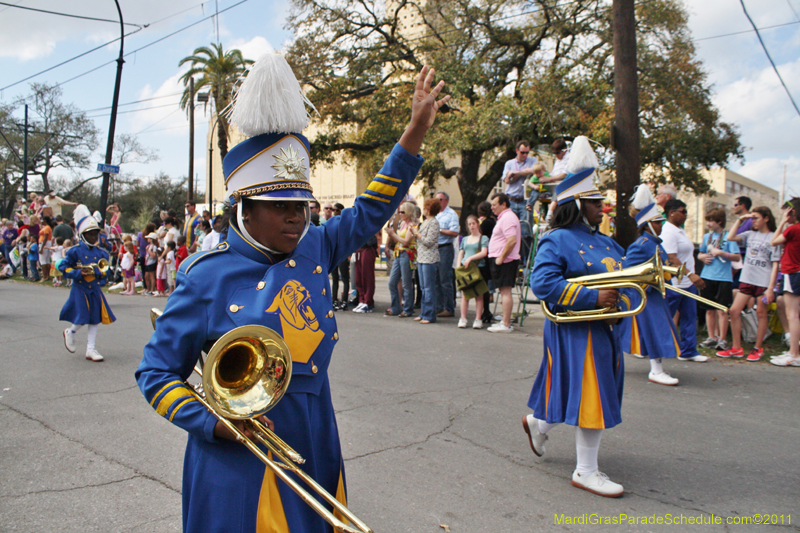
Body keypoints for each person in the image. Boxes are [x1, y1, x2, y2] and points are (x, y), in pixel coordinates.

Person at [135, 59, 448, 533]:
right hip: (237, 461)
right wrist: (215, 425)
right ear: (242, 206)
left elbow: (372, 208)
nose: (295, 218)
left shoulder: (316, 245)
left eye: (300, 205)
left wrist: (413, 134)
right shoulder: (204, 275)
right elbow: (156, 373)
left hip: (315, 436)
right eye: (278, 207)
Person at [523, 145, 627, 498]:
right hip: (573, 327)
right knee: (592, 395)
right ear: (578, 204)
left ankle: (537, 422)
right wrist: (592, 297)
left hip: (603, 328)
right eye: (596, 201)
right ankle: (585, 470)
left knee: (583, 391)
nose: (603, 207)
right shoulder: (558, 238)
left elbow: (623, 282)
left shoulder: (610, 243)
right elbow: (543, 284)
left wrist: (618, 301)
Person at [622, 203, 683, 385]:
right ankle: (656, 371)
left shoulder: (655, 244)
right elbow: (628, 271)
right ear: (647, 225)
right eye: (657, 222)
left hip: (656, 294)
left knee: (653, 331)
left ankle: (655, 368)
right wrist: (649, 281)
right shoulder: (640, 245)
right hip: (646, 295)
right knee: (657, 331)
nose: (661, 225)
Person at [719, 207, 781, 361]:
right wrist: (741, 219)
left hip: (763, 281)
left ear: (766, 219)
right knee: (733, 311)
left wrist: (770, 287)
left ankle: (757, 347)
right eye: (752, 218)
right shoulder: (749, 234)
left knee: (761, 313)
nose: (753, 221)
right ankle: (736, 348)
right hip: (747, 279)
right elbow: (731, 237)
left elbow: (775, 264)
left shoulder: (774, 237)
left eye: (756, 218)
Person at [59, 205, 116, 362]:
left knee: (95, 319)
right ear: (83, 235)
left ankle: (91, 349)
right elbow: (63, 267)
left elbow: (106, 272)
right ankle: (70, 332)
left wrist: (100, 273)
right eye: (90, 234)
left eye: (95, 234)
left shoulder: (101, 253)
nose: (93, 237)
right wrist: (78, 273)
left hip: (95, 289)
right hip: (80, 288)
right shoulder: (74, 251)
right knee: (82, 316)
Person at [660, 199, 708, 362]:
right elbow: (672, 259)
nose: (686, 214)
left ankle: (688, 350)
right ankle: (649, 346)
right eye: (683, 211)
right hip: (676, 283)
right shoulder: (668, 232)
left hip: (687, 283)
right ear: (671, 212)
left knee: (689, 316)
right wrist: (690, 274)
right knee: (665, 317)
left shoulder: (679, 230)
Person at [696, 209, 741, 351]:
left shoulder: (728, 237)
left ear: (719, 221)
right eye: (707, 220)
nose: (708, 223)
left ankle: (722, 339)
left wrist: (722, 253)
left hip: (723, 278)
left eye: (711, 221)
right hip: (707, 276)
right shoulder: (706, 237)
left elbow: (737, 257)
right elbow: (700, 253)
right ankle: (711, 337)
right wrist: (702, 257)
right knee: (709, 309)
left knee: (722, 310)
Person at [770, 198, 800, 366]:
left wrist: (782, 222)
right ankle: (793, 352)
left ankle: (794, 354)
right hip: (797, 272)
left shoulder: (793, 229)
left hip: (793, 272)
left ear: (792, 212)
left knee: (793, 315)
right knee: (794, 314)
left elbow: (774, 241)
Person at [487, 193, 521, 333]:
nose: (492, 207)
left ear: (504, 204)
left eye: (495, 204)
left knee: (506, 291)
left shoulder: (507, 217)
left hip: (506, 260)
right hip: (503, 259)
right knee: (503, 291)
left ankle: (506, 324)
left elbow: (511, 240)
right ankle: (505, 321)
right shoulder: (505, 217)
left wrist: (501, 258)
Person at [410, 197, 441, 324]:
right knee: (422, 287)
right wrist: (414, 232)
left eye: (425, 208)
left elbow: (429, 241)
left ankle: (429, 315)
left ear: (428, 210)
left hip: (429, 258)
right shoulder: (425, 222)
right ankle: (424, 313)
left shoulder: (434, 222)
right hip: (422, 257)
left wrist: (417, 233)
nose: (423, 210)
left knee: (428, 288)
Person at [385, 201, 418, 317]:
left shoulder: (412, 225)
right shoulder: (401, 223)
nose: (400, 213)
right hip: (398, 253)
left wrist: (392, 234)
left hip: (406, 254)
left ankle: (408, 309)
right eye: (399, 211)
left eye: (402, 211)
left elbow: (406, 241)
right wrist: (392, 235)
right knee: (392, 281)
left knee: (406, 283)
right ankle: (396, 307)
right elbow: (399, 239)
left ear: (408, 212)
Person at [457, 214, 488, 329]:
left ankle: (478, 319)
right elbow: (461, 252)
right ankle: (463, 318)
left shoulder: (483, 238)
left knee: (478, 295)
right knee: (465, 295)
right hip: (465, 269)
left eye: (473, 223)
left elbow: (484, 252)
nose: (471, 226)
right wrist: (458, 266)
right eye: (469, 224)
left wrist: (470, 258)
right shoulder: (465, 239)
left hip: (478, 268)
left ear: (477, 224)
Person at [502, 140, 538, 236]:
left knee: (525, 232)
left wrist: (516, 173)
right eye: (522, 152)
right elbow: (507, 180)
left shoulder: (533, 160)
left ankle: (525, 251)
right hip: (511, 201)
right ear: (517, 150)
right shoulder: (509, 163)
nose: (525, 155)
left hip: (526, 201)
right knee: (509, 231)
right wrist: (524, 173)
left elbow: (535, 170)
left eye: (527, 152)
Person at [434, 191, 459, 317]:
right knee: (436, 279)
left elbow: (455, 232)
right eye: (436, 199)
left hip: (445, 248)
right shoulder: (435, 214)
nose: (437, 202)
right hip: (435, 248)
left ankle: (449, 308)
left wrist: (439, 230)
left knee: (445, 279)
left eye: (440, 199)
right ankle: (439, 306)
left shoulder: (451, 214)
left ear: (446, 201)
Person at [329, 203, 351, 310]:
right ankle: (334, 299)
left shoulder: (345, 223)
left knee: (345, 278)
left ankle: (344, 300)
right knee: (335, 278)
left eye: (336, 210)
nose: (334, 212)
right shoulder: (332, 222)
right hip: (334, 253)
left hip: (342, 253)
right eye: (333, 210)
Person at [477, 201, 496, 324]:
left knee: (483, 286)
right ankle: (486, 311)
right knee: (486, 286)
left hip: (485, 257)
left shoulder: (485, 223)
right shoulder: (492, 221)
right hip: (490, 255)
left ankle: (486, 311)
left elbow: (479, 235)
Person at [352, 229, 380, 313]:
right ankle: (362, 299)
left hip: (367, 248)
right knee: (358, 277)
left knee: (367, 277)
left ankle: (368, 301)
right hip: (359, 248)